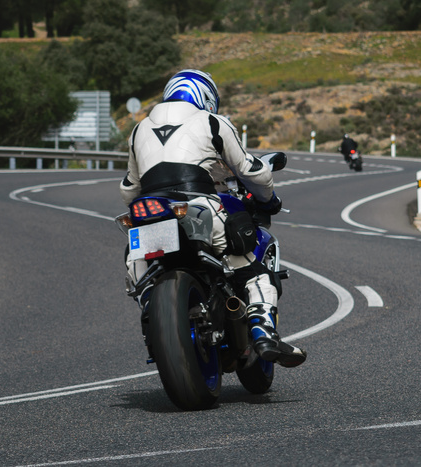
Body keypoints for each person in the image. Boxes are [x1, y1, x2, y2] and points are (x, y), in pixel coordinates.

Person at [120, 69, 306, 368]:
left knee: (139, 265)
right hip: (198, 204)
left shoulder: (138, 129)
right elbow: (251, 170)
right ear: (206, 97)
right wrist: (269, 200)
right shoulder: (212, 122)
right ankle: (262, 331)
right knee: (251, 266)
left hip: (149, 209)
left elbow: (129, 188)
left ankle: (151, 312)